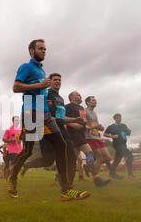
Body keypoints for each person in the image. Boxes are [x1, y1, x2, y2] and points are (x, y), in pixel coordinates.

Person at [8, 39, 89, 201]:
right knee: (28, 151)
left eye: (45, 49)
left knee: (62, 145)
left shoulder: (42, 72)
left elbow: (41, 91)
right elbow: (16, 87)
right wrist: (39, 85)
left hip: (44, 114)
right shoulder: (26, 67)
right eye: (40, 48)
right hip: (31, 113)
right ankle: (12, 178)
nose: (44, 51)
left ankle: (66, 190)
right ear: (31, 51)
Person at [20, 73, 78, 186]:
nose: (57, 82)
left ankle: (68, 185)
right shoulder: (45, 93)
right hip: (46, 129)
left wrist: (76, 120)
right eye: (55, 80)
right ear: (49, 82)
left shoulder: (60, 99)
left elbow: (61, 118)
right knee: (48, 160)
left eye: (59, 80)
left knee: (71, 154)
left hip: (61, 129)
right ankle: (26, 165)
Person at [65, 91, 112, 187]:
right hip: (71, 137)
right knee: (71, 161)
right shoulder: (67, 107)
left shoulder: (81, 108)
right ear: (72, 98)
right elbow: (61, 118)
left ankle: (96, 179)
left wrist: (94, 127)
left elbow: (83, 124)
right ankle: (66, 183)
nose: (80, 96)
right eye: (77, 95)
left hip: (81, 137)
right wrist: (72, 124)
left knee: (89, 153)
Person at [85, 96, 123, 180]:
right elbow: (84, 125)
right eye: (93, 100)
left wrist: (100, 128)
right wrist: (94, 128)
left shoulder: (94, 113)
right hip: (89, 137)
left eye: (95, 100)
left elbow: (95, 125)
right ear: (88, 102)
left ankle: (88, 168)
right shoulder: (85, 111)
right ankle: (97, 178)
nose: (95, 101)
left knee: (108, 158)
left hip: (96, 137)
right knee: (99, 158)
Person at [103, 113, 139, 179]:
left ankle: (111, 173)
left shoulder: (124, 125)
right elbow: (104, 134)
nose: (118, 119)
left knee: (117, 159)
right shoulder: (111, 127)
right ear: (114, 119)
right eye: (117, 118)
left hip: (123, 144)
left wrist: (129, 131)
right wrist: (112, 136)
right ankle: (130, 175)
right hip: (117, 144)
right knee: (129, 156)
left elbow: (127, 134)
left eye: (119, 118)